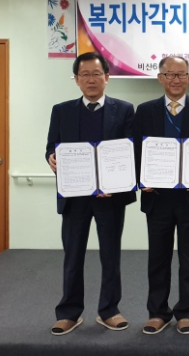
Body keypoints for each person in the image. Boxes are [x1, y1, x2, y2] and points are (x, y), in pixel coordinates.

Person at [46, 52, 136, 335]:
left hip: (110, 198)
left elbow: (130, 151)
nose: (91, 80)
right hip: (74, 197)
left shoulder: (125, 110)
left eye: (96, 74)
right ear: (76, 80)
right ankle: (69, 313)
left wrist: (115, 182)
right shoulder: (61, 111)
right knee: (73, 256)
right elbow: (51, 146)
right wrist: (51, 158)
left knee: (110, 255)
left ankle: (109, 310)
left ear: (107, 77)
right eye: (84, 74)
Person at [133, 56, 189, 335]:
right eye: (170, 74)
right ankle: (157, 312)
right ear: (160, 78)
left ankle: (186, 312)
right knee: (158, 258)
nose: (176, 80)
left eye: (181, 74)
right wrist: (140, 178)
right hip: (157, 197)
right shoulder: (145, 111)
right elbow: (135, 151)